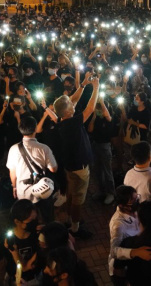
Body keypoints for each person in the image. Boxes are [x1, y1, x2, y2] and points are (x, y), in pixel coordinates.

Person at [53, 75, 100, 239]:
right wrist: (96, 87)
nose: (74, 106)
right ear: (67, 112)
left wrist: (83, 85)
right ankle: (75, 227)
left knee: (71, 193)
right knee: (77, 200)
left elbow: (72, 100)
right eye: (71, 106)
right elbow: (90, 109)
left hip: (69, 164)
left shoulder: (61, 118)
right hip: (79, 168)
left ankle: (68, 218)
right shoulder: (71, 124)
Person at [6, 116, 58, 223]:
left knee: (28, 218)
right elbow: (53, 169)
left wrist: (14, 186)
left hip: (23, 191)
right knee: (47, 216)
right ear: (35, 129)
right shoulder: (44, 148)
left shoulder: (13, 149)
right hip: (43, 189)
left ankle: (33, 235)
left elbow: (13, 172)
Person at [108, 185, 151, 285]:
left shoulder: (136, 210)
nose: (137, 201)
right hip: (121, 268)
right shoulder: (118, 224)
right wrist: (136, 252)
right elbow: (113, 251)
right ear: (122, 205)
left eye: (136, 197)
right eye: (133, 200)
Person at [88, 96, 116, 205]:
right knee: (97, 170)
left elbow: (108, 116)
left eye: (99, 110)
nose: (98, 111)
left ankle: (111, 193)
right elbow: (90, 129)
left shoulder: (108, 118)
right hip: (95, 145)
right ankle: (101, 190)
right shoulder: (96, 118)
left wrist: (102, 102)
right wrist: (94, 116)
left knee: (107, 170)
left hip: (105, 146)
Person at [7, 199, 41, 282]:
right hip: (14, 279)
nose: (34, 222)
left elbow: (25, 267)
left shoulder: (38, 235)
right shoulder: (8, 240)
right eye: (30, 220)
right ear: (17, 222)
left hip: (36, 278)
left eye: (35, 218)